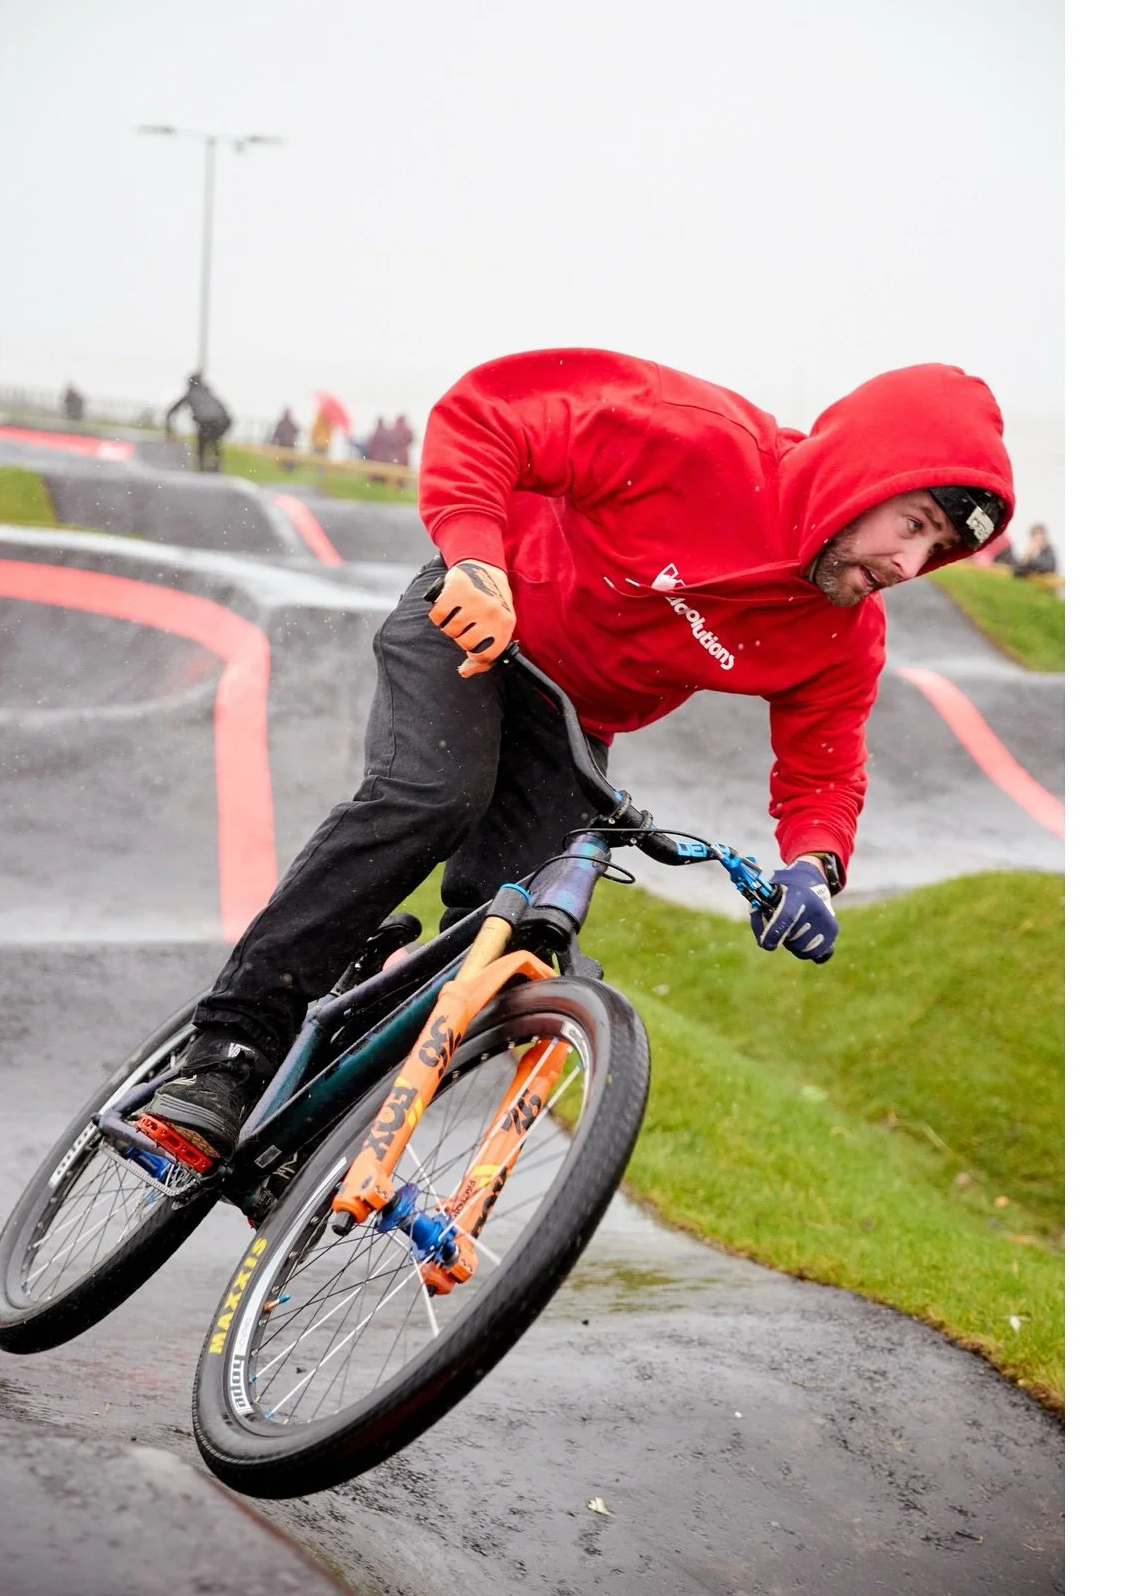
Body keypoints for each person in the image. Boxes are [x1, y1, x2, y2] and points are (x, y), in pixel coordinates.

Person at [141, 348, 1013, 1165]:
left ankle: (328, 1094)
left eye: (938, 549)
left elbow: (825, 763)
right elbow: (488, 415)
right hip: (481, 626)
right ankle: (227, 1049)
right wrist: (476, 561)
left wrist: (815, 864)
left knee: (507, 942)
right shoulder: (693, 439)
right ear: (864, 474)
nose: (910, 562)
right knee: (432, 795)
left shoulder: (841, 632)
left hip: (572, 722)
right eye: (914, 524)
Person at [165, 373, 233, 473]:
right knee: (214, 441)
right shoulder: (209, 393)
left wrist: (169, 431)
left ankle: (201, 470)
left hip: (206, 422)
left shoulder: (190, 394)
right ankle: (216, 465)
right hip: (224, 421)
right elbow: (224, 410)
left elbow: (171, 412)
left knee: (202, 446)